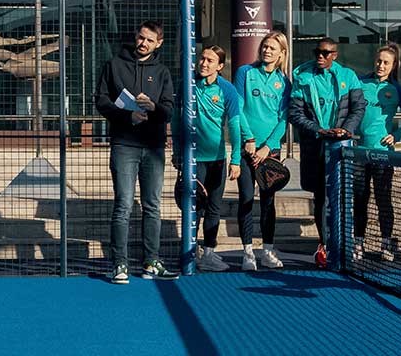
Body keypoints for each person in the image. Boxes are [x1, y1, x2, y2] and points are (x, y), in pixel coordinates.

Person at [95, 21, 179, 284]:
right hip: (124, 145)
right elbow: (101, 101)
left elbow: (169, 109)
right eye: (141, 37)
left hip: (153, 146)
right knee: (123, 205)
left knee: (152, 206)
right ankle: (119, 264)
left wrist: (153, 107)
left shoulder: (162, 72)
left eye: (149, 40)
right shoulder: (114, 65)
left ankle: (151, 262)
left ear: (158, 44)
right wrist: (127, 115)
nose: (143, 43)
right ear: (136, 36)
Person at [287, 38, 365, 268]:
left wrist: (346, 130)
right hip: (315, 147)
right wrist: (319, 130)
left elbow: (358, 107)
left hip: (342, 149)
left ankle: (346, 243)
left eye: (325, 53)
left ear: (335, 55)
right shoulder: (303, 77)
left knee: (345, 196)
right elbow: (295, 113)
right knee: (320, 197)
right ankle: (323, 244)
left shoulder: (348, 77)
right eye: (317, 52)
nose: (320, 56)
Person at [353, 43, 401, 262]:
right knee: (360, 200)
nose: (381, 66)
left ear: (394, 65)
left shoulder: (396, 89)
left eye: (386, 62)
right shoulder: (360, 83)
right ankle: (358, 244)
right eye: (379, 61)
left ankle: (386, 245)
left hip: (383, 154)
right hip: (359, 153)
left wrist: (396, 137)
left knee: (383, 200)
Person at [233, 31, 291, 270]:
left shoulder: (284, 82)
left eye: (272, 48)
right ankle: (248, 253)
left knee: (268, 202)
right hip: (247, 148)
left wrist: (268, 146)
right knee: (246, 198)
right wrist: (249, 139)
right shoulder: (245, 72)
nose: (267, 50)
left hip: (270, 152)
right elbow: (238, 107)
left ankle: (267, 251)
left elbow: (283, 117)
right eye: (265, 46)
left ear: (281, 54)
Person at [188, 45, 244, 272]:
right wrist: (177, 154)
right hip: (194, 159)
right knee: (194, 208)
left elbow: (235, 124)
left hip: (218, 159)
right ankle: (190, 252)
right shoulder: (189, 84)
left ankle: (209, 253)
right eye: (202, 58)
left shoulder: (227, 90)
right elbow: (176, 116)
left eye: (210, 61)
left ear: (220, 66)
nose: (204, 63)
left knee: (213, 207)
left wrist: (237, 158)